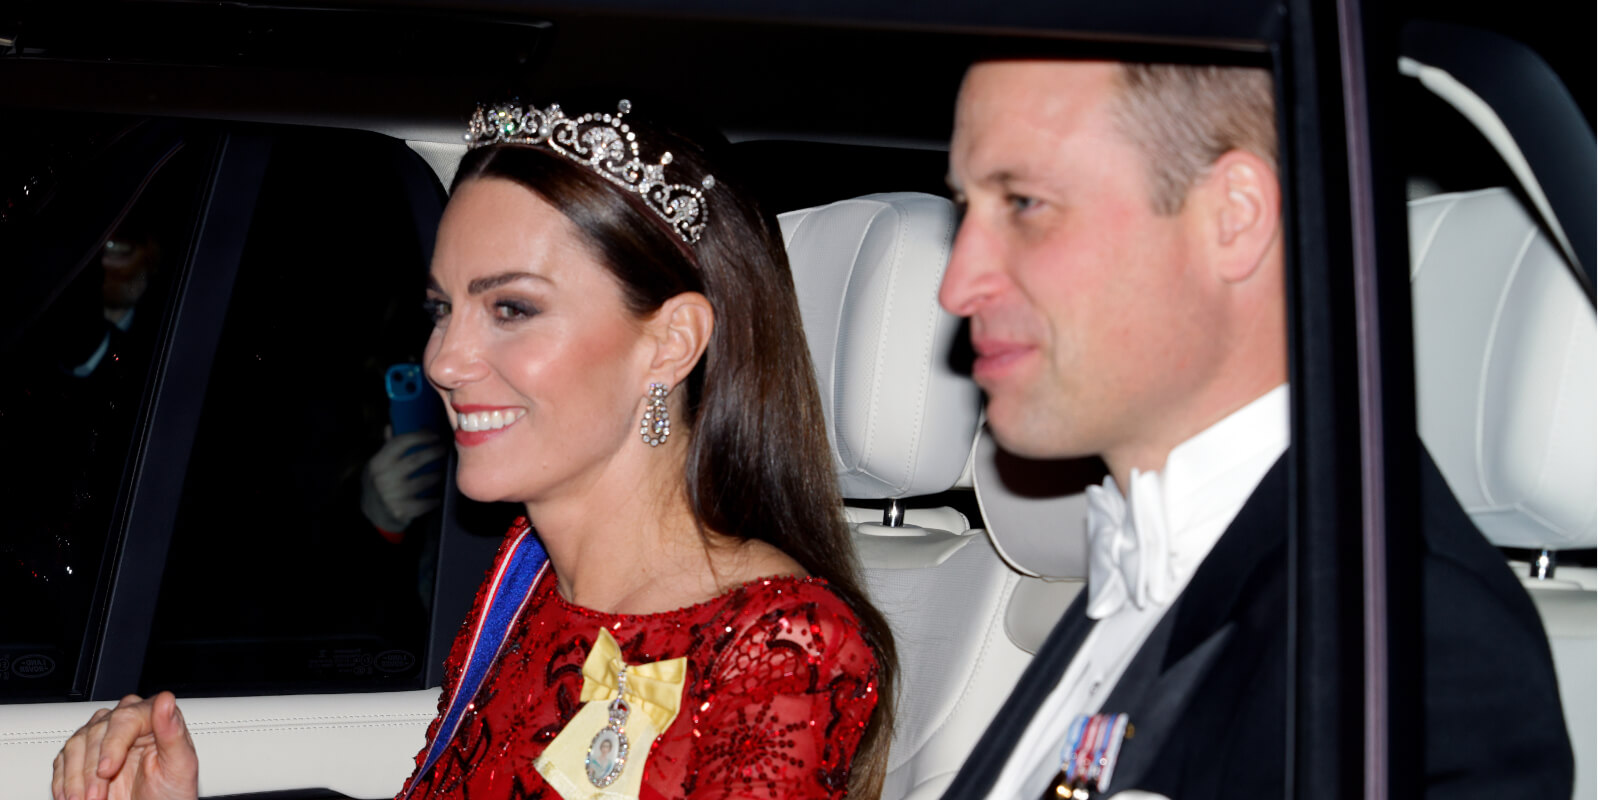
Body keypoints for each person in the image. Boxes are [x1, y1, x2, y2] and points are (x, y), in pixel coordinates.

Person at [51, 99, 897, 800]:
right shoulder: (525, 580)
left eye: (511, 309)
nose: (443, 361)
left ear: (670, 343)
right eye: (441, 309)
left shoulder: (781, 644)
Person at [936, 60, 1570, 799]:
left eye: (1024, 203)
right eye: (964, 208)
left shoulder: (1413, 643)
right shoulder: (1148, 564)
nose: (957, 284)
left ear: (1233, 217)